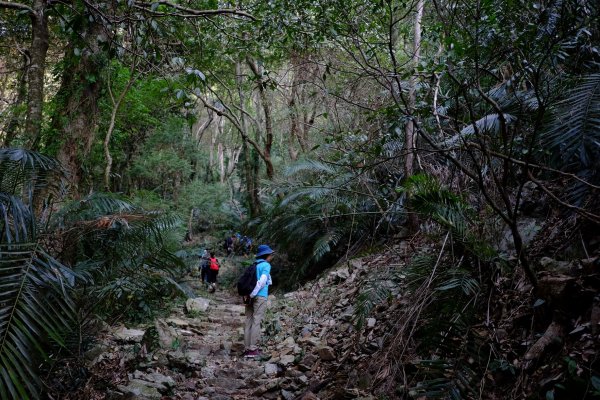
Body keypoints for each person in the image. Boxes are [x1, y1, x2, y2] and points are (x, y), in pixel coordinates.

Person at [243, 244, 274, 358]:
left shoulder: (254, 265)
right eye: (270, 254)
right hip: (259, 296)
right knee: (257, 321)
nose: (271, 256)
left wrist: (249, 295)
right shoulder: (266, 265)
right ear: (266, 255)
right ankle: (253, 349)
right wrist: (253, 294)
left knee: (249, 320)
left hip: (250, 295)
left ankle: (247, 349)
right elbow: (262, 281)